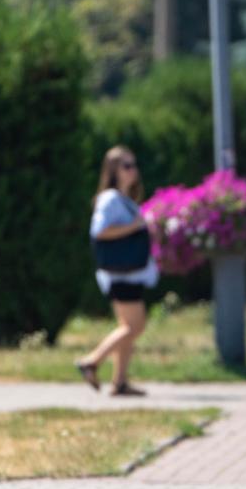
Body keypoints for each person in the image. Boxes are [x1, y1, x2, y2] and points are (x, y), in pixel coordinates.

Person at [76, 145, 157, 397]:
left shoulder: (124, 199)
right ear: (114, 170)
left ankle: (120, 382)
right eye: (127, 166)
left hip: (129, 272)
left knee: (126, 326)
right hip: (121, 273)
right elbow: (99, 231)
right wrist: (135, 226)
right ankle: (92, 361)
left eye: (134, 165)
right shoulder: (110, 199)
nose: (133, 171)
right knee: (135, 326)